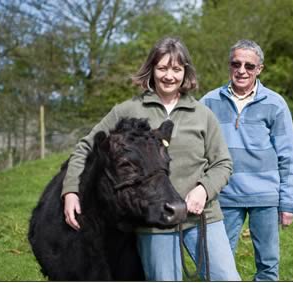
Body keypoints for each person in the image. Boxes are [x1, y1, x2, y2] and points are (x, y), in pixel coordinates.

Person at [61, 36, 241, 281]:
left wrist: (203, 190)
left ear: (185, 72)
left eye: (177, 69)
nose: (169, 76)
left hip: (203, 218)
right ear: (151, 70)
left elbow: (223, 162)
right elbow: (86, 147)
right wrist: (71, 190)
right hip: (154, 221)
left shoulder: (203, 114)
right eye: (163, 68)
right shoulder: (128, 110)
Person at [200, 39, 293, 281]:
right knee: (215, 265)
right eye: (236, 64)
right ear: (229, 65)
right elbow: (197, 150)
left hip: (266, 196)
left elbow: (288, 156)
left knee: (267, 266)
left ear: (259, 69)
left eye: (249, 66)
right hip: (223, 195)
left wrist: (288, 203)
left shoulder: (275, 104)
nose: (242, 70)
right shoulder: (208, 102)